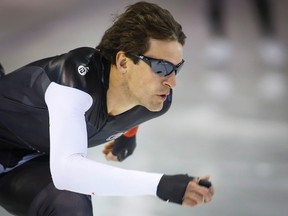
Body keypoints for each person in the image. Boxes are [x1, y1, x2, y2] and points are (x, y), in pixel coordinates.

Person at [0, 1, 215, 215]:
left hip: (24, 160)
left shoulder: (157, 102)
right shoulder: (74, 81)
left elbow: (132, 108)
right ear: (123, 62)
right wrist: (159, 184)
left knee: (69, 202)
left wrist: (129, 132)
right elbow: (66, 171)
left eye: (177, 68)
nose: (172, 82)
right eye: (162, 67)